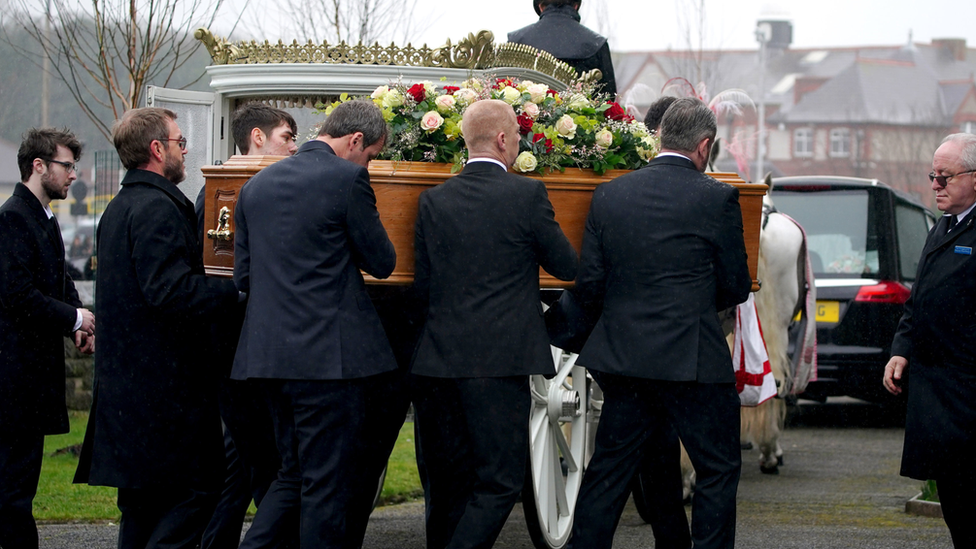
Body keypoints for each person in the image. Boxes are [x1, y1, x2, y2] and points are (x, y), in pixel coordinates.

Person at [561, 97, 751, 549]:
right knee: (718, 469)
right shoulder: (718, 197)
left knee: (609, 471)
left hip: (626, 358)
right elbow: (736, 285)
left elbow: (591, 282)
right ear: (704, 146)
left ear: (659, 138)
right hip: (694, 360)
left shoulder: (611, 193)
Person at [411, 99, 578, 549]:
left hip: (437, 364)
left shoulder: (432, 200)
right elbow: (564, 264)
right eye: (518, 138)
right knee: (501, 481)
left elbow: (423, 287)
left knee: (447, 487)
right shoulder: (526, 195)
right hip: (497, 364)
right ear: (503, 140)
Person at [231, 99, 397, 549]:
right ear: (356, 140)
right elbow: (382, 262)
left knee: (293, 474)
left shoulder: (254, 187)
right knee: (326, 484)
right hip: (326, 361)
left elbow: (243, 277)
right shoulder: (347, 179)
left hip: (267, 358)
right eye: (372, 154)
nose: (370, 163)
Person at [74, 107, 241, 549]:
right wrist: (236, 292)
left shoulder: (120, 208)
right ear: (156, 149)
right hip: (164, 398)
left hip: (131, 394)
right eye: (179, 142)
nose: (184, 151)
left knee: (142, 512)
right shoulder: (157, 208)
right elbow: (169, 291)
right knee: (194, 497)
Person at [196, 101, 299, 549]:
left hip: (243, 349)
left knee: (245, 468)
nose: (293, 148)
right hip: (240, 349)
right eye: (286, 138)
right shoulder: (230, 190)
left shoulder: (230, 187)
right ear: (257, 138)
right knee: (269, 467)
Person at [0, 128, 95, 549]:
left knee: (22, 482)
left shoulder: (43, 215)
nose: (73, 175)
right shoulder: (14, 217)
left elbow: (58, 279)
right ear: (38, 166)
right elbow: (17, 295)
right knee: (12, 488)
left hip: (29, 377)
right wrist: (72, 316)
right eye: (66, 166)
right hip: (14, 377)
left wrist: (80, 323)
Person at [883, 133, 976, 548]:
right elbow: (918, 299)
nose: (935, 184)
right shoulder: (941, 227)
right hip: (939, 396)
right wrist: (901, 349)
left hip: (967, 395)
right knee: (955, 500)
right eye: (933, 176)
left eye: (945, 177)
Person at [508, 0, 617, 97]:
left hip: (526, 118)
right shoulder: (596, 44)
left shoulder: (517, 41)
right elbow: (608, 97)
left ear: (541, 7)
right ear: (575, 6)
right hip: (581, 118)